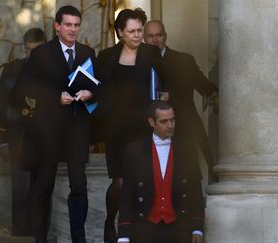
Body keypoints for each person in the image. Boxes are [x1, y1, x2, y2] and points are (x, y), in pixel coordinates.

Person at [10, 5, 97, 243]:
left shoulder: (88, 52)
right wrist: (55, 96)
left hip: (78, 130)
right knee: (43, 186)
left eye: (76, 25)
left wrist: (91, 93)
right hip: (47, 131)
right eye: (67, 24)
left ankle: (79, 239)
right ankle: (39, 238)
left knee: (79, 186)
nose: (72, 29)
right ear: (56, 26)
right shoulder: (42, 53)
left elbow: (99, 89)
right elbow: (22, 89)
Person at [95, 8, 164, 243]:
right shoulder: (105, 56)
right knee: (119, 183)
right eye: (132, 31)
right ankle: (110, 219)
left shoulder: (151, 52)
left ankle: (135, 232)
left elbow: (167, 78)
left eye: (140, 30)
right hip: (115, 129)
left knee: (142, 180)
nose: (137, 35)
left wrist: (166, 95)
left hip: (143, 127)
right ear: (120, 33)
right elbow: (97, 89)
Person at [117, 101, 204, 243]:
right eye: (164, 121)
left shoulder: (187, 149)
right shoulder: (134, 151)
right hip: (145, 228)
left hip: (179, 227)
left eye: (172, 120)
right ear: (151, 122)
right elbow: (127, 195)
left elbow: (195, 191)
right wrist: (123, 235)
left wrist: (197, 228)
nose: (170, 125)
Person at [143, 20, 218, 182]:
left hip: (183, 123)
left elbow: (203, 85)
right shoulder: (137, 62)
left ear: (165, 37)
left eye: (159, 35)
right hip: (148, 129)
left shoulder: (184, 60)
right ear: (144, 38)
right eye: (150, 36)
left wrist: (214, 93)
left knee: (188, 175)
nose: (155, 40)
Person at [0, 27, 46, 236]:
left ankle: (39, 238)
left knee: (42, 194)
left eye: (37, 50)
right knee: (20, 194)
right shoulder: (13, 70)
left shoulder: (55, 72)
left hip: (45, 142)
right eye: (29, 49)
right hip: (19, 140)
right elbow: (1, 107)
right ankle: (19, 239)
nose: (32, 54)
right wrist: (3, 141)